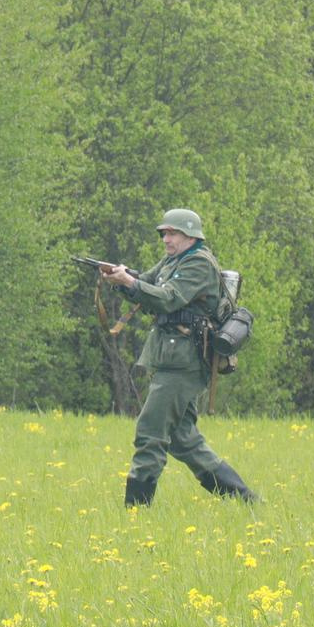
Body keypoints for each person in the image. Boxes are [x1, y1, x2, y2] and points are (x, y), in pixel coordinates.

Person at [95, 209, 258, 506]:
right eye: (164, 234)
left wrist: (130, 283)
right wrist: (121, 278)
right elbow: (147, 284)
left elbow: (168, 297)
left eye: (171, 234)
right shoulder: (174, 260)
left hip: (184, 362)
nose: (165, 240)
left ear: (190, 235)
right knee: (184, 440)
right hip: (171, 357)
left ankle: (136, 514)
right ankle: (244, 501)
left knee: (150, 433)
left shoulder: (198, 263)